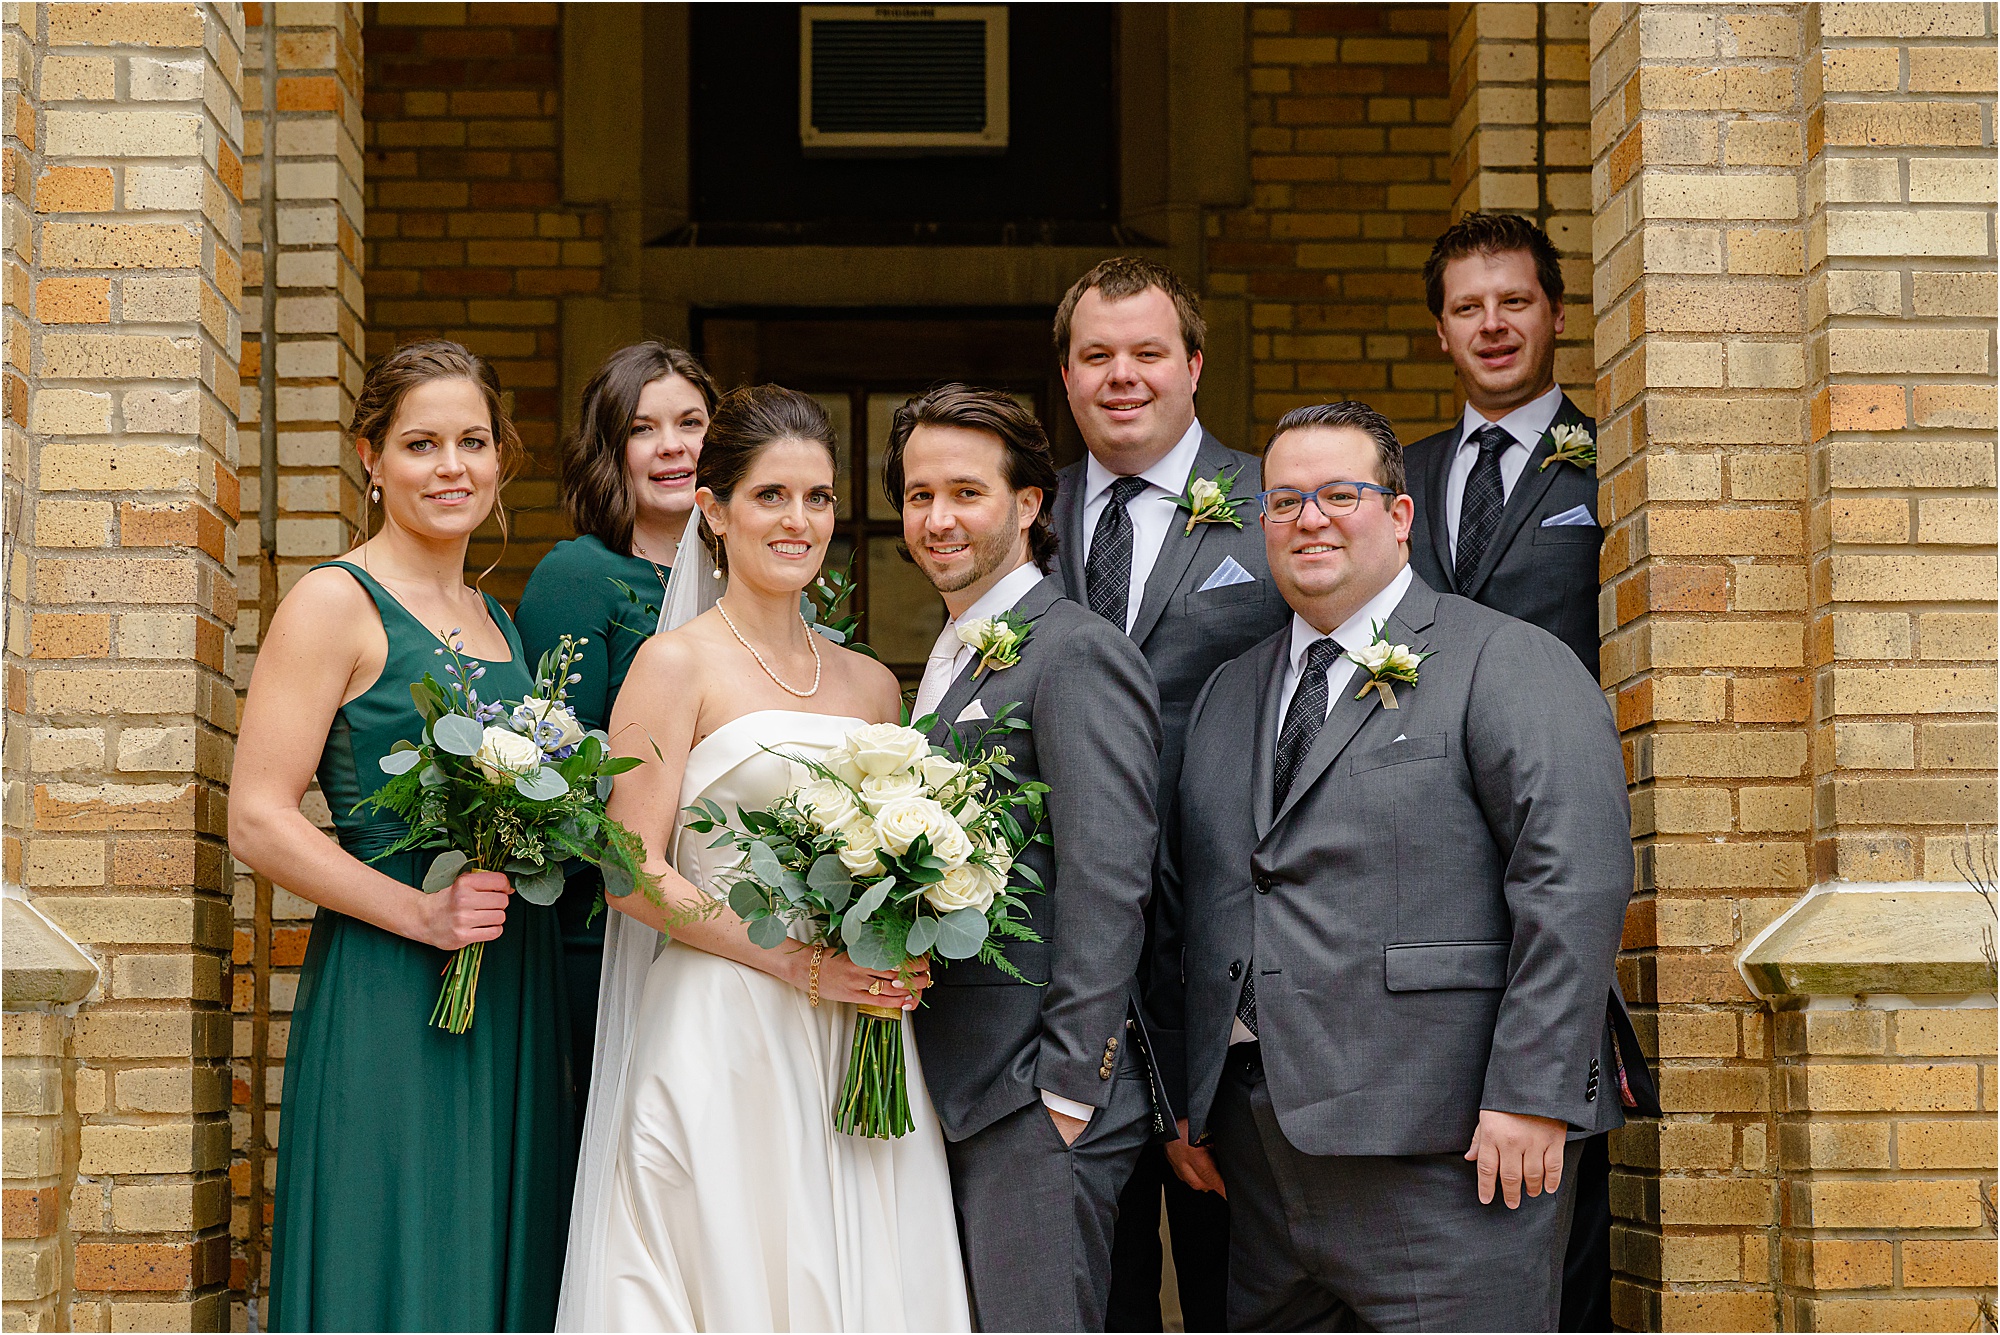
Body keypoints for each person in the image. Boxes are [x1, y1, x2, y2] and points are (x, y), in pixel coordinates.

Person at [1149, 400, 1635, 1331]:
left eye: (1340, 493)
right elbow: (1193, 898)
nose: (1310, 518)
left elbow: (1572, 878)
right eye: (1285, 501)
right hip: (1259, 1159)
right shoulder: (1228, 691)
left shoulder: (1506, 659)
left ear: (1401, 516)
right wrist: (1188, 1093)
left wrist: (1533, 1093)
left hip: (1454, 1154)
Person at [555, 385, 968, 1332]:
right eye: (771, 496)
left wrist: (904, 932)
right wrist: (783, 957)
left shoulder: (871, 682)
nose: (798, 520)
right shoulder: (674, 665)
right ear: (715, 510)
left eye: (817, 497)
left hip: (855, 1031)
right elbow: (627, 867)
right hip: (724, 1023)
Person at [230, 340, 572, 1330]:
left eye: (472, 441)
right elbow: (257, 814)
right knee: (397, 1246)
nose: (450, 466)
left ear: (503, 457)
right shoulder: (334, 602)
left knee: (492, 1250)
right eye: (420, 444)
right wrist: (419, 913)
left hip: (506, 981)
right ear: (369, 458)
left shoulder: (496, 620)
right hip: (392, 980)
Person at [1402, 213, 1658, 1329]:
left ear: (1555, 314)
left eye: (1514, 301)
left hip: (1547, 828)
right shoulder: (1392, 482)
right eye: (1468, 306)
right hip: (1415, 845)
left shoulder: (1610, 465)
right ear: (1439, 331)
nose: (1492, 324)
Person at [888, 384, 1161, 1332]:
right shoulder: (951, 657)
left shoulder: (1075, 651)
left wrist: (1070, 1084)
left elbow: (1109, 872)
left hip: (1031, 1094)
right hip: (955, 1086)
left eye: (966, 492)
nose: (938, 519)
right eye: (919, 496)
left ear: (1030, 504)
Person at [1051, 257, 1289, 1330]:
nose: (1121, 377)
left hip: (1229, 952)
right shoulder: (1025, 515)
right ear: (1064, 375)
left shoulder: (1274, 506)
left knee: (1235, 1276)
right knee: (1091, 1289)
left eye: (1146, 353)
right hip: (1069, 966)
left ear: (1193, 365)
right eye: (1095, 356)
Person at [515, 340, 717, 1122]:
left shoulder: (758, 581)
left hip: (733, 919)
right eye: (644, 428)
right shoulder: (580, 576)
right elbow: (556, 767)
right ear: (612, 452)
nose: (673, 446)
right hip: (603, 929)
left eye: (691, 422)